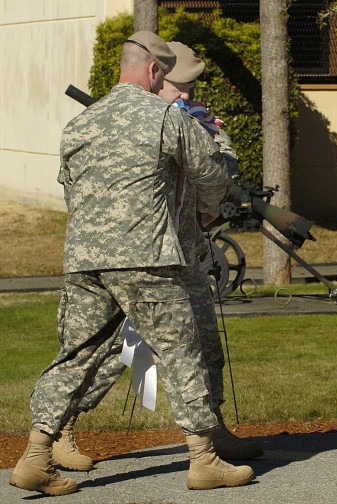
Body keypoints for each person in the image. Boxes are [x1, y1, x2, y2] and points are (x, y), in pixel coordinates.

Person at [10, 31, 254, 497]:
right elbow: (212, 172)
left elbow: (70, 188)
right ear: (154, 71)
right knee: (181, 353)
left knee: (76, 355)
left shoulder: (80, 124)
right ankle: (203, 461)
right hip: (147, 258)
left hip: (84, 261)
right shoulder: (165, 117)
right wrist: (206, 208)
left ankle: (36, 456)